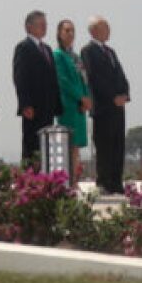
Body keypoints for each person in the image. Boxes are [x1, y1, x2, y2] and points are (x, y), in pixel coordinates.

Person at [81, 17, 131, 196]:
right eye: (105, 28)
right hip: (103, 107)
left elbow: (120, 75)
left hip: (118, 107)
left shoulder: (111, 52)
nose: (108, 31)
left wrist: (125, 94)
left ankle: (117, 181)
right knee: (104, 145)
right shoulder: (88, 51)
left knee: (118, 144)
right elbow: (94, 78)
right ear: (94, 30)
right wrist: (112, 98)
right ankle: (104, 181)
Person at [11, 10, 60, 165]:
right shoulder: (23, 47)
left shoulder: (47, 49)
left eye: (45, 24)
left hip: (48, 106)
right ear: (29, 27)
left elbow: (53, 79)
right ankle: (29, 180)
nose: (44, 27)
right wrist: (25, 104)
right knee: (32, 145)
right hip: (33, 107)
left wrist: (57, 105)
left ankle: (45, 180)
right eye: (41, 24)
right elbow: (20, 77)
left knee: (46, 145)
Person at [52, 19, 92, 180]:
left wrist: (87, 98)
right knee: (68, 143)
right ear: (59, 34)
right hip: (68, 104)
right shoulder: (58, 55)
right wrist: (80, 97)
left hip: (80, 107)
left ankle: (75, 180)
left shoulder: (76, 57)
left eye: (72, 30)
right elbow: (63, 80)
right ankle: (66, 180)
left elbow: (84, 79)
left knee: (77, 146)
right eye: (66, 30)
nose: (70, 34)